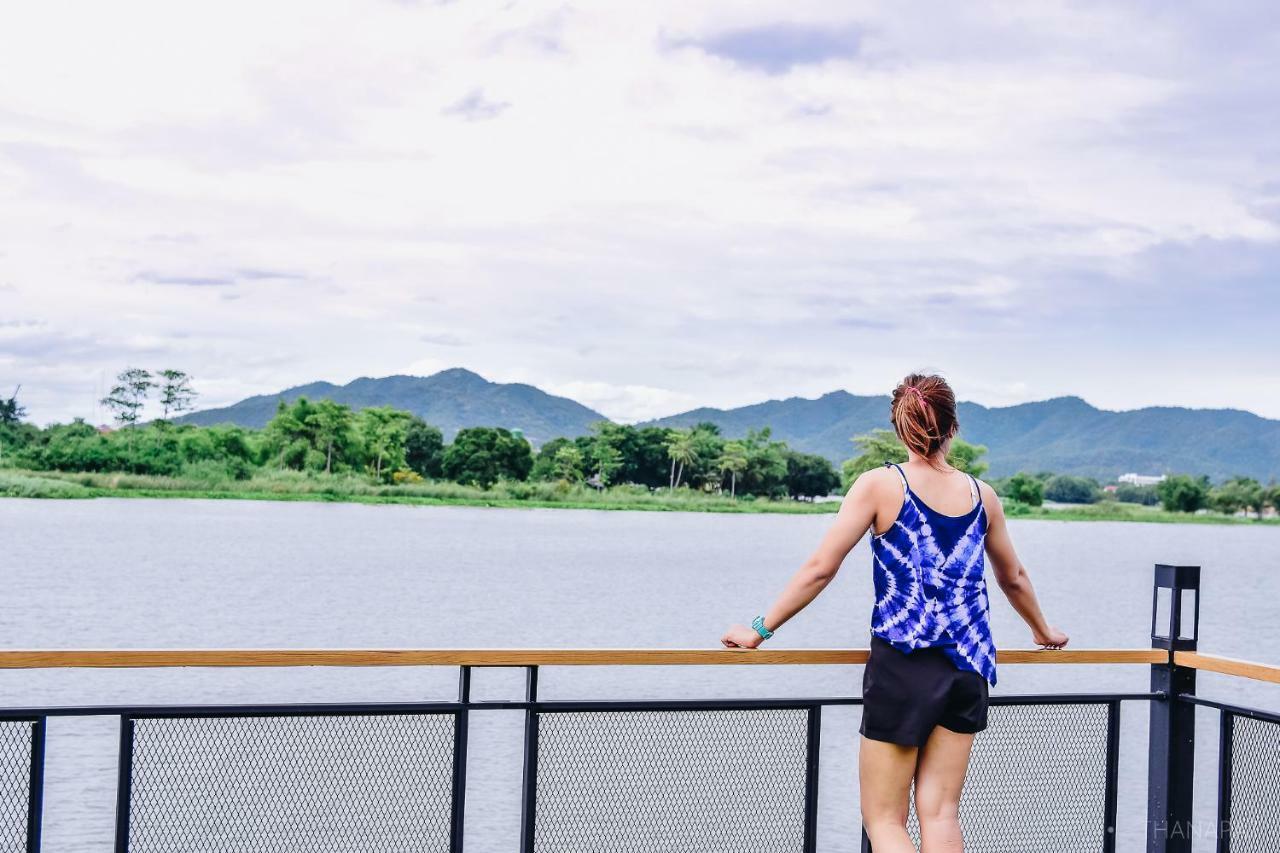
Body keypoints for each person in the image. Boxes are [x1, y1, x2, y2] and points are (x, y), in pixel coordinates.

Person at [720, 372, 1068, 853]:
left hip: (903, 665)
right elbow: (1014, 578)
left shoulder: (882, 485)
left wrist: (760, 630)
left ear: (900, 428)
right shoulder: (980, 495)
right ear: (953, 427)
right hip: (969, 666)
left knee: (884, 820)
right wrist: (1042, 629)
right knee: (941, 811)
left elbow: (822, 568)